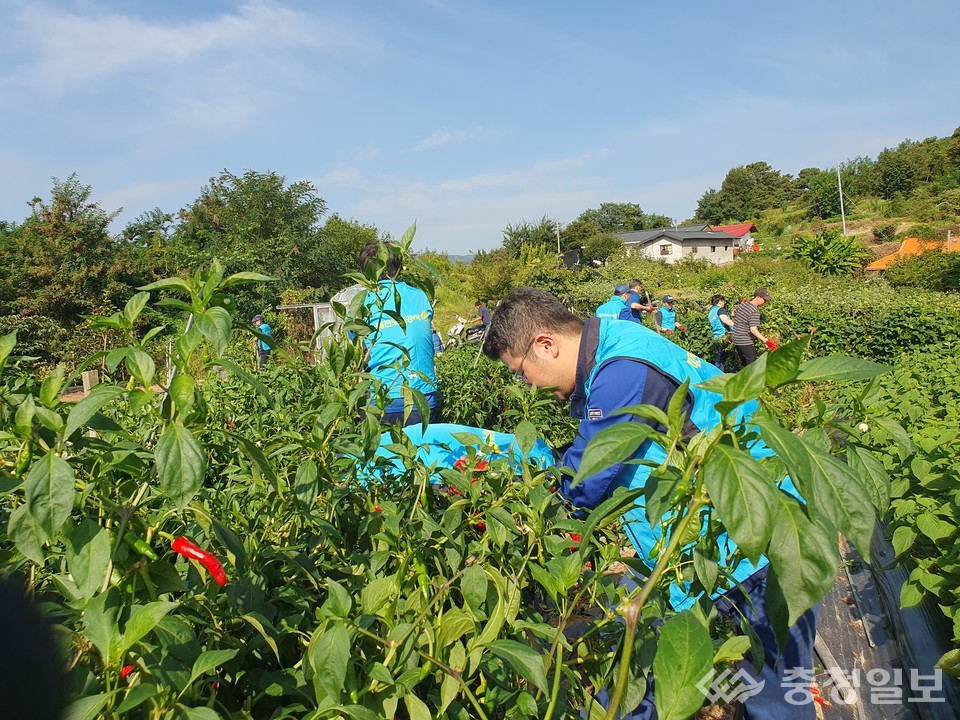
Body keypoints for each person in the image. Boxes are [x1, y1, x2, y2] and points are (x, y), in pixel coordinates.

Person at [482, 287, 817, 720]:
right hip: (701, 535)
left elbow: (585, 481)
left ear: (545, 346)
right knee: (641, 657)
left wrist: (529, 512)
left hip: (755, 535)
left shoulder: (621, 371)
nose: (525, 383)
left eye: (520, 371)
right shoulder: (614, 342)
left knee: (775, 691)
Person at [359, 241, 438, 426]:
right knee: (420, 453)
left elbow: (357, 347)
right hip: (423, 397)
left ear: (367, 273)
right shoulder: (420, 296)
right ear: (398, 267)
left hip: (382, 399)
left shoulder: (364, 303)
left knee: (379, 453)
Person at [733, 288, 775, 366]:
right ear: (757, 297)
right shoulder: (754, 311)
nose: (765, 302)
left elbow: (733, 314)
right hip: (745, 341)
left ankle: (743, 378)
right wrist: (766, 341)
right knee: (752, 366)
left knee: (745, 365)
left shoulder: (743, 305)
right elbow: (753, 329)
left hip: (736, 340)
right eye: (764, 300)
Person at [707, 294, 735, 370]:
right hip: (725, 337)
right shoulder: (721, 310)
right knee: (733, 359)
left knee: (720, 359)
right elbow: (725, 320)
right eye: (724, 301)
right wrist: (737, 326)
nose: (725, 303)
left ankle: (717, 376)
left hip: (717, 337)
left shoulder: (711, 312)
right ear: (720, 301)